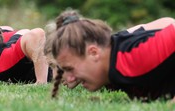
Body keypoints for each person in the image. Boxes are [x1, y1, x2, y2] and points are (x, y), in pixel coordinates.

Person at [47, 10, 175, 101]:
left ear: (94, 53)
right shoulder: (107, 70)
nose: (70, 79)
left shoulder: (132, 58)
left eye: (70, 69)